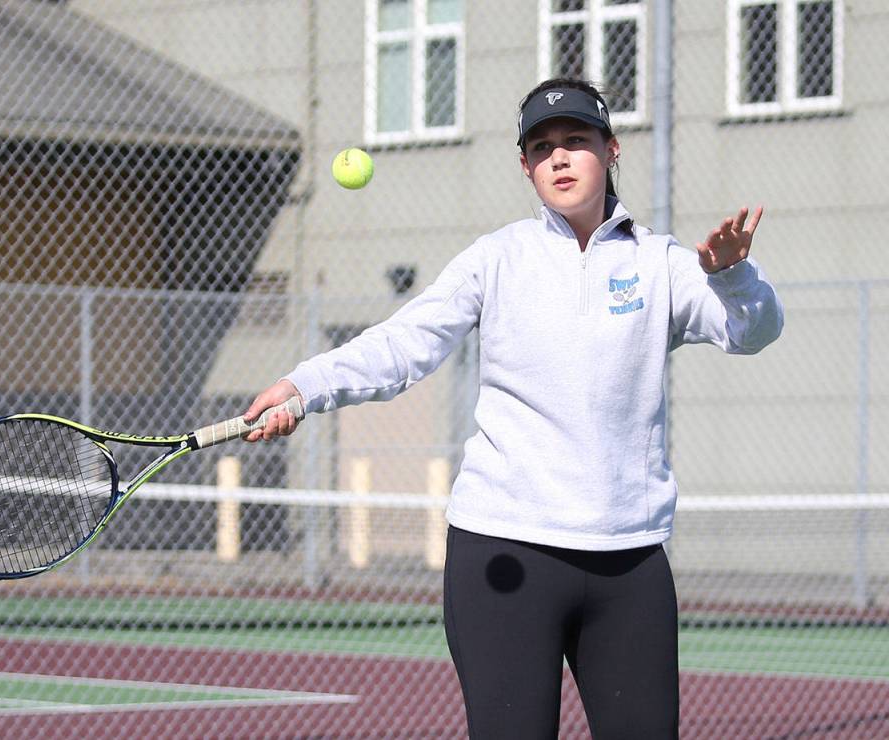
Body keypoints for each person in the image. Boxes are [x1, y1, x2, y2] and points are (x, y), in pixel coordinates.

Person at [239, 78, 783, 739]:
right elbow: (405, 343)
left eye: (577, 141)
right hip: (505, 556)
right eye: (542, 147)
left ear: (612, 151)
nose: (559, 157)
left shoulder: (660, 264)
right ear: (524, 165)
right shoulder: (496, 260)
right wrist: (305, 384)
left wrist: (733, 277)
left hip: (630, 560)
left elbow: (753, 333)